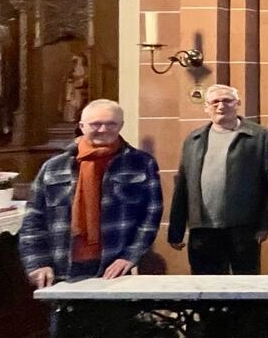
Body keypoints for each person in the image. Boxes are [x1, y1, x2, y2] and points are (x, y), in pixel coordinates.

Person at [20, 99, 163, 287]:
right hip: (62, 267)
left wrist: (130, 256)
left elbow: (151, 215)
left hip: (114, 266)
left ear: (121, 125)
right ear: (81, 126)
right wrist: (38, 263)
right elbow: (33, 218)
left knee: (115, 317)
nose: (103, 129)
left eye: (111, 123)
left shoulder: (142, 163)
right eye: (96, 124)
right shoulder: (53, 167)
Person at [167, 84, 268, 274]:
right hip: (202, 228)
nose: (221, 106)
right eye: (215, 102)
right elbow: (183, 185)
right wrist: (176, 229)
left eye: (227, 101)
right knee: (204, 286)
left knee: (245, 287)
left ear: (238, 104)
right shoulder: (194, 139)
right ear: (206, 107)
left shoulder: (260, 137)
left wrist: (267, 224)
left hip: (243, 226)